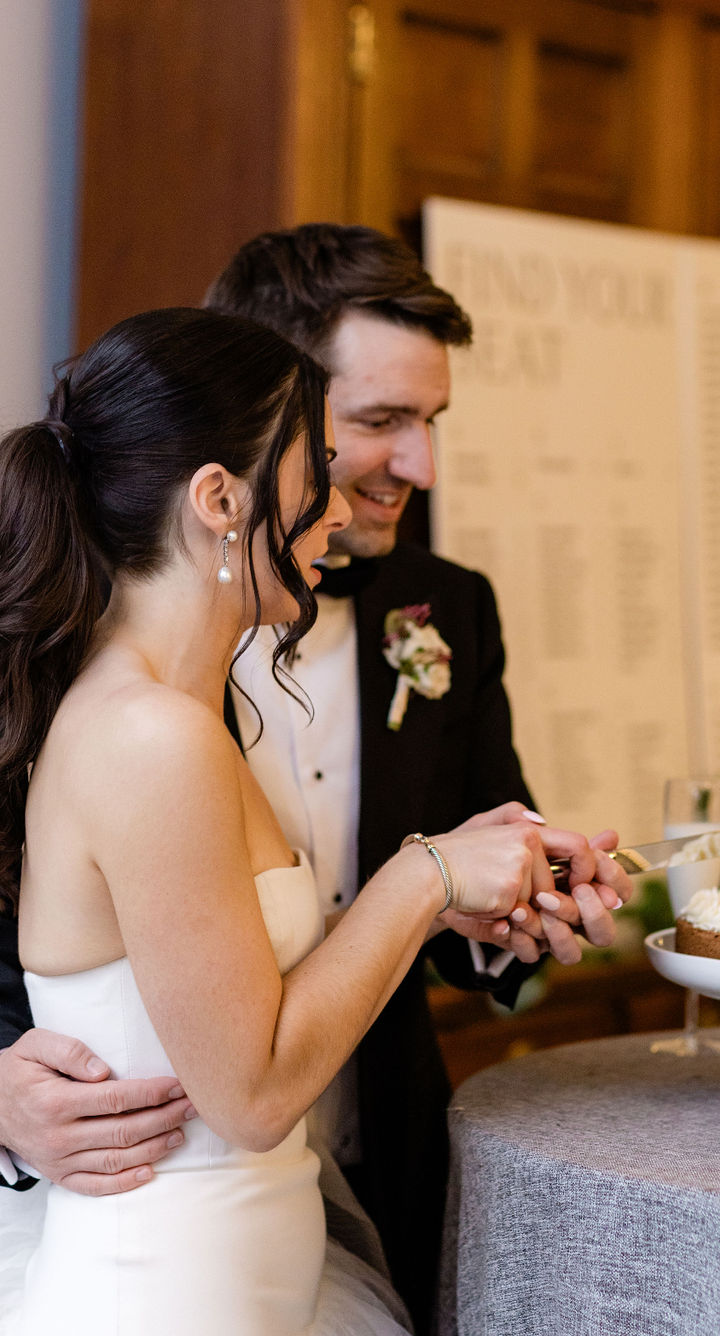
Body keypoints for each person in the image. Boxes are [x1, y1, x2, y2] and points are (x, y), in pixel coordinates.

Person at [0, 306, 613, 1332]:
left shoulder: (191, 716)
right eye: (311, 471)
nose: (332, 511)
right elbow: (250, 1093)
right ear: (217, 498)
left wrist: (461, 892)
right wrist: (424, 879)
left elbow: (250, 979)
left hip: (265, 1276)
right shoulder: (150, 736)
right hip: (170, 1297)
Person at [205, 224, 630, 1325]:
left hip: (375, 1174)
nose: (420, 466)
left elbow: (466, 871)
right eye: (381, 421)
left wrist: (511, 921)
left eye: (431, 422)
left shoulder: (448, 608)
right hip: (158, 1184)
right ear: (268, 414)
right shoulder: (105, 633)